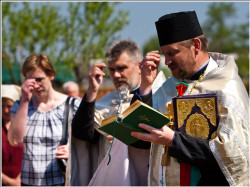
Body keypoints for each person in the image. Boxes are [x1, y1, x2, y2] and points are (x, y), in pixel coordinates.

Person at [130, 11, 249, 186]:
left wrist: (173, 140)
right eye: (164, 54)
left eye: (172, 53)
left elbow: (234, 155)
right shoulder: (167, 88)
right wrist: (145, 86)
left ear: (196, 45)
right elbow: (140, 140)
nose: (167, 61)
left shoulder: (226, 87)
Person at [69, 39, 165, 185]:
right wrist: (91, 91)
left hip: (150, 178)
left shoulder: (161, 96)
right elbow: (82, 135)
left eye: (121, 68)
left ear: (140, 66)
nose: (116, 75)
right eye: (112, 70)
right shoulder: (107, 103)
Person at [8, 54, 81, 186]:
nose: (35, 85)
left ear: (51, 75)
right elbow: (14, 140)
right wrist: (24, 100)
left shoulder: (72, 105)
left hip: (61, 180)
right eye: (30, 80)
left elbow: (88, 139)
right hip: (28, 181)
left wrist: (72, 149)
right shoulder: (20, 106)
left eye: (39, 79)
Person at [2, 84, 23, 186]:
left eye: (9, 106)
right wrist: (9, 182)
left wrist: (18, 180)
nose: (6, 110)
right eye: (2, 106)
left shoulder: (25, 126)